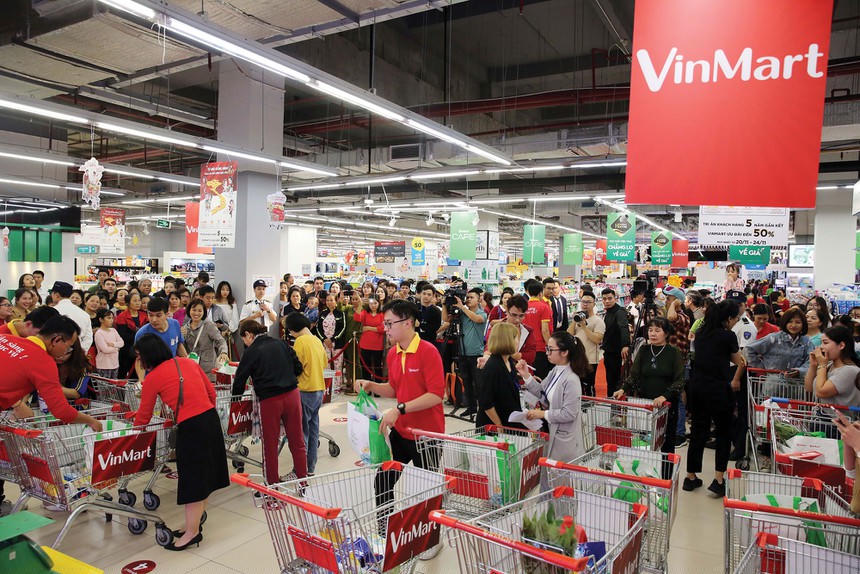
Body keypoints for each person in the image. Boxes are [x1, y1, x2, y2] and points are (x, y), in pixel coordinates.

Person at [354, 300, 444, 541]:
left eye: (389, 324)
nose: (385, 329)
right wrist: (371, 385)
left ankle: (430, 537)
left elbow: (436, 395)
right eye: (385, 324)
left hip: (427, 436)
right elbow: (395, 388)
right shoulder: (394, 353)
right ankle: (385, 532)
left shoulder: (428, 351)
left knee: (426, 490)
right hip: (401, 432)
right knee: (383, 481)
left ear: (408, 323)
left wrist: (400, 409)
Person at [132, 334, 228, 551]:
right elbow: (211, 393)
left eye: (139, 356)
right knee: (204, 476)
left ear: (147, 356)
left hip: (191, 427)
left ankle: (192, 533)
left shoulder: (152, 378)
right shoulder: (187, 363)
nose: (138, 360)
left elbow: (144, 416)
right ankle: (193, 524)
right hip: (210, 419)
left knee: (192, 481)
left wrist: (131, 434)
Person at [233, 319, 307, 484]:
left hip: (270, 400)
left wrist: (236, 400)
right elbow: (298, 367)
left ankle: (272, 488)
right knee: (297, 441)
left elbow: (239, 380)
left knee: (270, 446)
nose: (245, 343)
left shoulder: (251, 351)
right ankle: (303, 483)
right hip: (292, 395)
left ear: (248, 334)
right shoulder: (281, 343)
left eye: (244, 339)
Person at [684, 300, 745, 497]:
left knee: (698, 432)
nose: (735, 322)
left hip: (697, 388)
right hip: (719, 390)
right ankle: (718, 480)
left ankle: (690, 477)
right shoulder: (727, 336)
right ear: (729, 318)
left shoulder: (701, 333)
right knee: (723, 433)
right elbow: (739, 361)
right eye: (735, 318)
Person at [0, 315, 102, 430]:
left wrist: (18, 404)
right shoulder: (44, 362)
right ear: (56, 340)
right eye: (68, 347)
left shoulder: (5, 338)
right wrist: (91, 421)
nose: (66, 351)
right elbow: (61, 411)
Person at [515, 331, 587, 489]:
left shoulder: (571, 379)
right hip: (554, 434)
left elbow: (569, 413)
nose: (547, 353)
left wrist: (542, 414)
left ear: (564, 352)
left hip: (566, 442)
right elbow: (542, 392)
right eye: (547, 349)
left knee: (561, 487)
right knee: (550, 483)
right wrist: (526, 375)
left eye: (550, 349)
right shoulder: (555, 371)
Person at [613, 317, 684, 459]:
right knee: (644, 442)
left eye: (657, 330)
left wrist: (665, 396)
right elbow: (634, 374)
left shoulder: (673, 352)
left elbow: (680, 380)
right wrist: (623, 389)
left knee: (666, 443)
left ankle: (666, 471)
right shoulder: (644, 350)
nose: (652, 333)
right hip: (646, 404)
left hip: (666, 406)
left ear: (666, 333)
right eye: (650, 330)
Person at [286, 313, 328, 476]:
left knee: (301, 433)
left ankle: (299, 471)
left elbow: (296, 367)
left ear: (293, 329)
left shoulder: (300, 342)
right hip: (319, 389)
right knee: (313, 430)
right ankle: (309, 468)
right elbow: (324, 363)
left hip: (304, 390)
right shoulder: (317, 340)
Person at [446, 288, 487, 419]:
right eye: (467, 297)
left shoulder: (482, 313)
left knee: (478, 384)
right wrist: (445, 305)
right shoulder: (462, 314)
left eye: (471, 297)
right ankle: (471, 408)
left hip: (476, 354)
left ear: (479, 300)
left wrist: (462, 307)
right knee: (467, 383)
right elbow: (446, 320)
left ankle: (484, 410)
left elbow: (478, 319)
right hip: (463, 353)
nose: (468, 299)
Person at [476, 323, 524, 429]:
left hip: (509, 418)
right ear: (508, 340)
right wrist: (499, 425)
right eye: (516, 338)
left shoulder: (509, 360)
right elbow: (486, 402)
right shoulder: (493, 366)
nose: (518, 342)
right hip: (494, 424)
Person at [745, 308, 814, 374]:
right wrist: (761, 368)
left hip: (797, 381)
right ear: (785, 322)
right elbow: (748, 349)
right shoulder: (773, 338)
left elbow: (810, 361)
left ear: (803, 324)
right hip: (773, 380)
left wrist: (799, 371)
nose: (793, 325)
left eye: (798, 322)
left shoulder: (806, 342)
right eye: (790, 322)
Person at [805, 325, 860, 406]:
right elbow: (809, 388)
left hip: (838, 414)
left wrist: (822, 365)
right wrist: (813, 365)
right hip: (820, 413)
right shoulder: (829, 365)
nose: (821, 347)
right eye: (821, 343)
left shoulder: (850, 371)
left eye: (825, 343)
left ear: (841, 345)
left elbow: (821, 392)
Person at [568, 292, 605, 396]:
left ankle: (590, 405)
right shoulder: (577, 319)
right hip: (576, 359)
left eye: (588, 302)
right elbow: (569, 335)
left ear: (594, 304)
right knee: (576, 387)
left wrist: (584, 327)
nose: (585, 304)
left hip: (590, 360)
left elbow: (597, 340)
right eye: (583, 302)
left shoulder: (598, 321)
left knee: (588, 388)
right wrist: (574, 321)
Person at [182, 299, 228, 381]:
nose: (196, 313)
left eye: (200, 311)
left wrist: (223, 352)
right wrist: (182, 336)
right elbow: (182, 348)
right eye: (194, 310)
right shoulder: (185, 328)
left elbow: (221, 341)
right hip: (192, 369)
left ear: (204, 312)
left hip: (208, 370)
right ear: (189, 310)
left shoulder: (209, 325)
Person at [315, 292, 346, 394]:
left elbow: (342, 328)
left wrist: (333, 339)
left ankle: (337, 386)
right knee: (326, 364)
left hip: (337, 343)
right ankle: (327, 386)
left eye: (331, 300)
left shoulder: (340, 313)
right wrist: (324, 339)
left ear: (336, 301)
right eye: (327, 300)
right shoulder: (323, 313)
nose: (329, 302)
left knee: (338, 365)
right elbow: (318, 328)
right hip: (325, 343)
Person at [601, 288, 630, 397]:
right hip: (609, 350)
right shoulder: (609, 312)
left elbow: (624, 328)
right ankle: (611, 400)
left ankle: (614, 401)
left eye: (610, 298)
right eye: (604, 299)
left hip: (616, 352)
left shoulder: (619, 312)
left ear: (615, 298)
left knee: (615, 380)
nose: (607, 301)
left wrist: (625, 345)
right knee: (610, 379)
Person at [50, 281, 93, 352]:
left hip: (55, 352)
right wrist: (79, 352)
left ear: (56, 295)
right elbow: (88, 338)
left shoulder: (52, 312)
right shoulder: (84, 314)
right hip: (78, 352)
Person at [524, 280, 553, 378]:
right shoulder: (544, 307)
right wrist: (550, 347)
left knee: (528, 376)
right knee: (541, 377)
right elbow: (545, 330)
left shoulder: (524, 306)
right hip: (540, 347)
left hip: (526, 347)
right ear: (541, 293)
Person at [115, 291, 148, 376]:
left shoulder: (145, 315)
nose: (138, 303)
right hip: (127, 350)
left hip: (143, 349)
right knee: (125, 373)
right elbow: (123, 335)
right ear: (128, 303)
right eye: (135, 301)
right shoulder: (122, 317)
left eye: (139, 300)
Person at [357, 297, 385, 381]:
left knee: (377, 367)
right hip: (365, 344)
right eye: (371, 303)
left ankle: (378, 386)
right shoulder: (365, 313)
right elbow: (357, 318)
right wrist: (360, 305)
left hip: (378, 345)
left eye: (375, 303)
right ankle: (367, 385)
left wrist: (368, 328)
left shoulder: (382, 314)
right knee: (365, 367)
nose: (373, 305)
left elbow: (383, 329)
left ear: (379, 303)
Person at [93, 308, 123, 379]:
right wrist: (116, 348)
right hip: (104, 365)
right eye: (109, 318)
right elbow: (105, 349)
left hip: (115, 364)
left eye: (112, 318)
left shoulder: (113, 330)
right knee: (104, 385)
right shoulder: (99, 333)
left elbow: (122, 343)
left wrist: (113, 344)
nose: (111, 320)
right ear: (101, 319)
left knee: (114, 385)